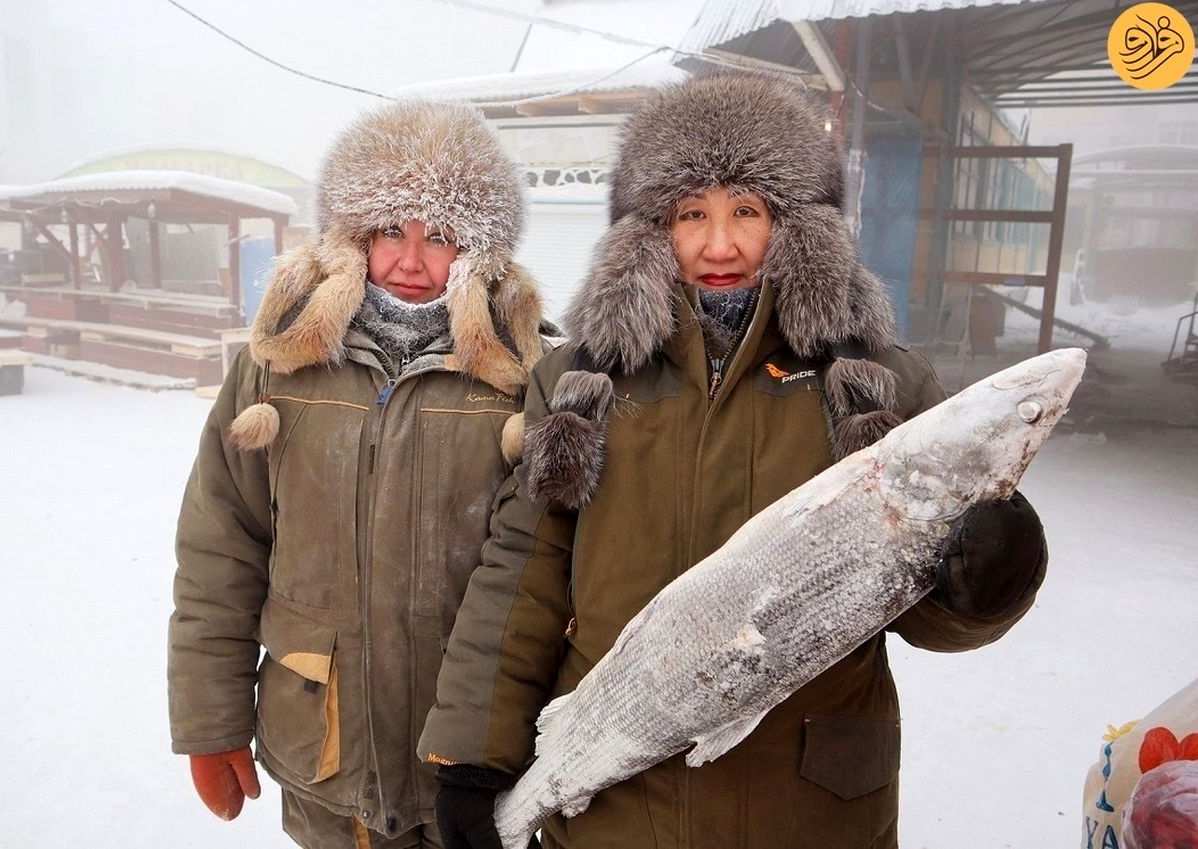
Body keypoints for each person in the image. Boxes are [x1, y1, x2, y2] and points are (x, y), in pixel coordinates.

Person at [419, 73, 1049, 849]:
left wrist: (984, 581)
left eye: (746, 211)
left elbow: (920, 611)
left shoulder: (879, 384)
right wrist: (475, 755)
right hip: (620, 799)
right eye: (692, 215)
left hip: (811, 805)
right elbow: (527, 567)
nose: (720, 245)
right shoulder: (584, 380)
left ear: (796, 225)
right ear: (650, 230)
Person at [168, 100, 547, 849]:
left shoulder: (525, 381)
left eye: (438, 235)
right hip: (324, 753)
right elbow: (221, 548)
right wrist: (211, 720)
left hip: (472, 764)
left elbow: (550, 582)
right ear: (352, 237)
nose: (410, 261)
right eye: (388, 232)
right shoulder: (278, 367)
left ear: (477, 249)